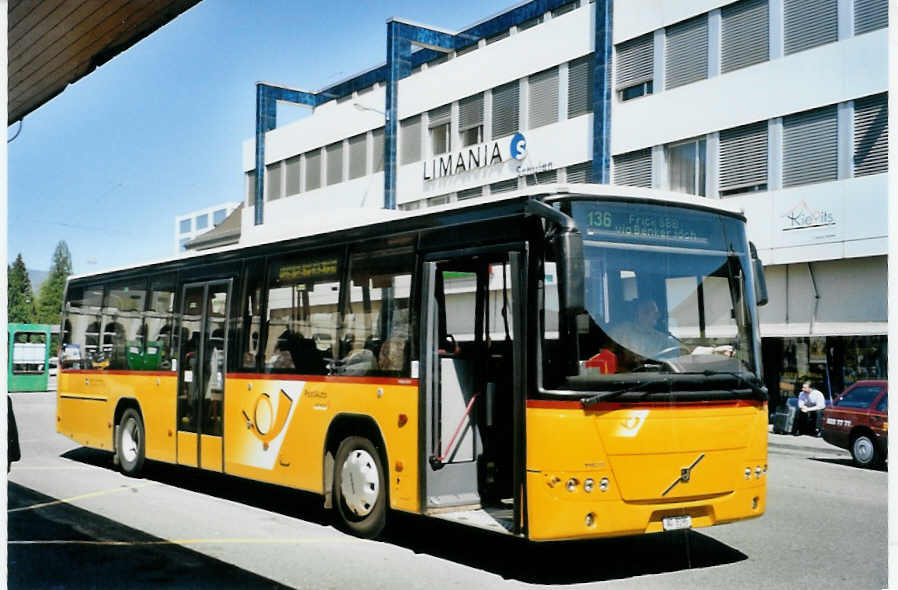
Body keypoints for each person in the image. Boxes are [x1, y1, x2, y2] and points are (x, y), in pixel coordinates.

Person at [610, 298, 681, 360]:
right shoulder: (620, 332)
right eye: (648, 311)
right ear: (637, 313)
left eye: (656, 313)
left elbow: (677, 354)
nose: (657, 315)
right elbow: (608, 353)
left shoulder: (661, 338)